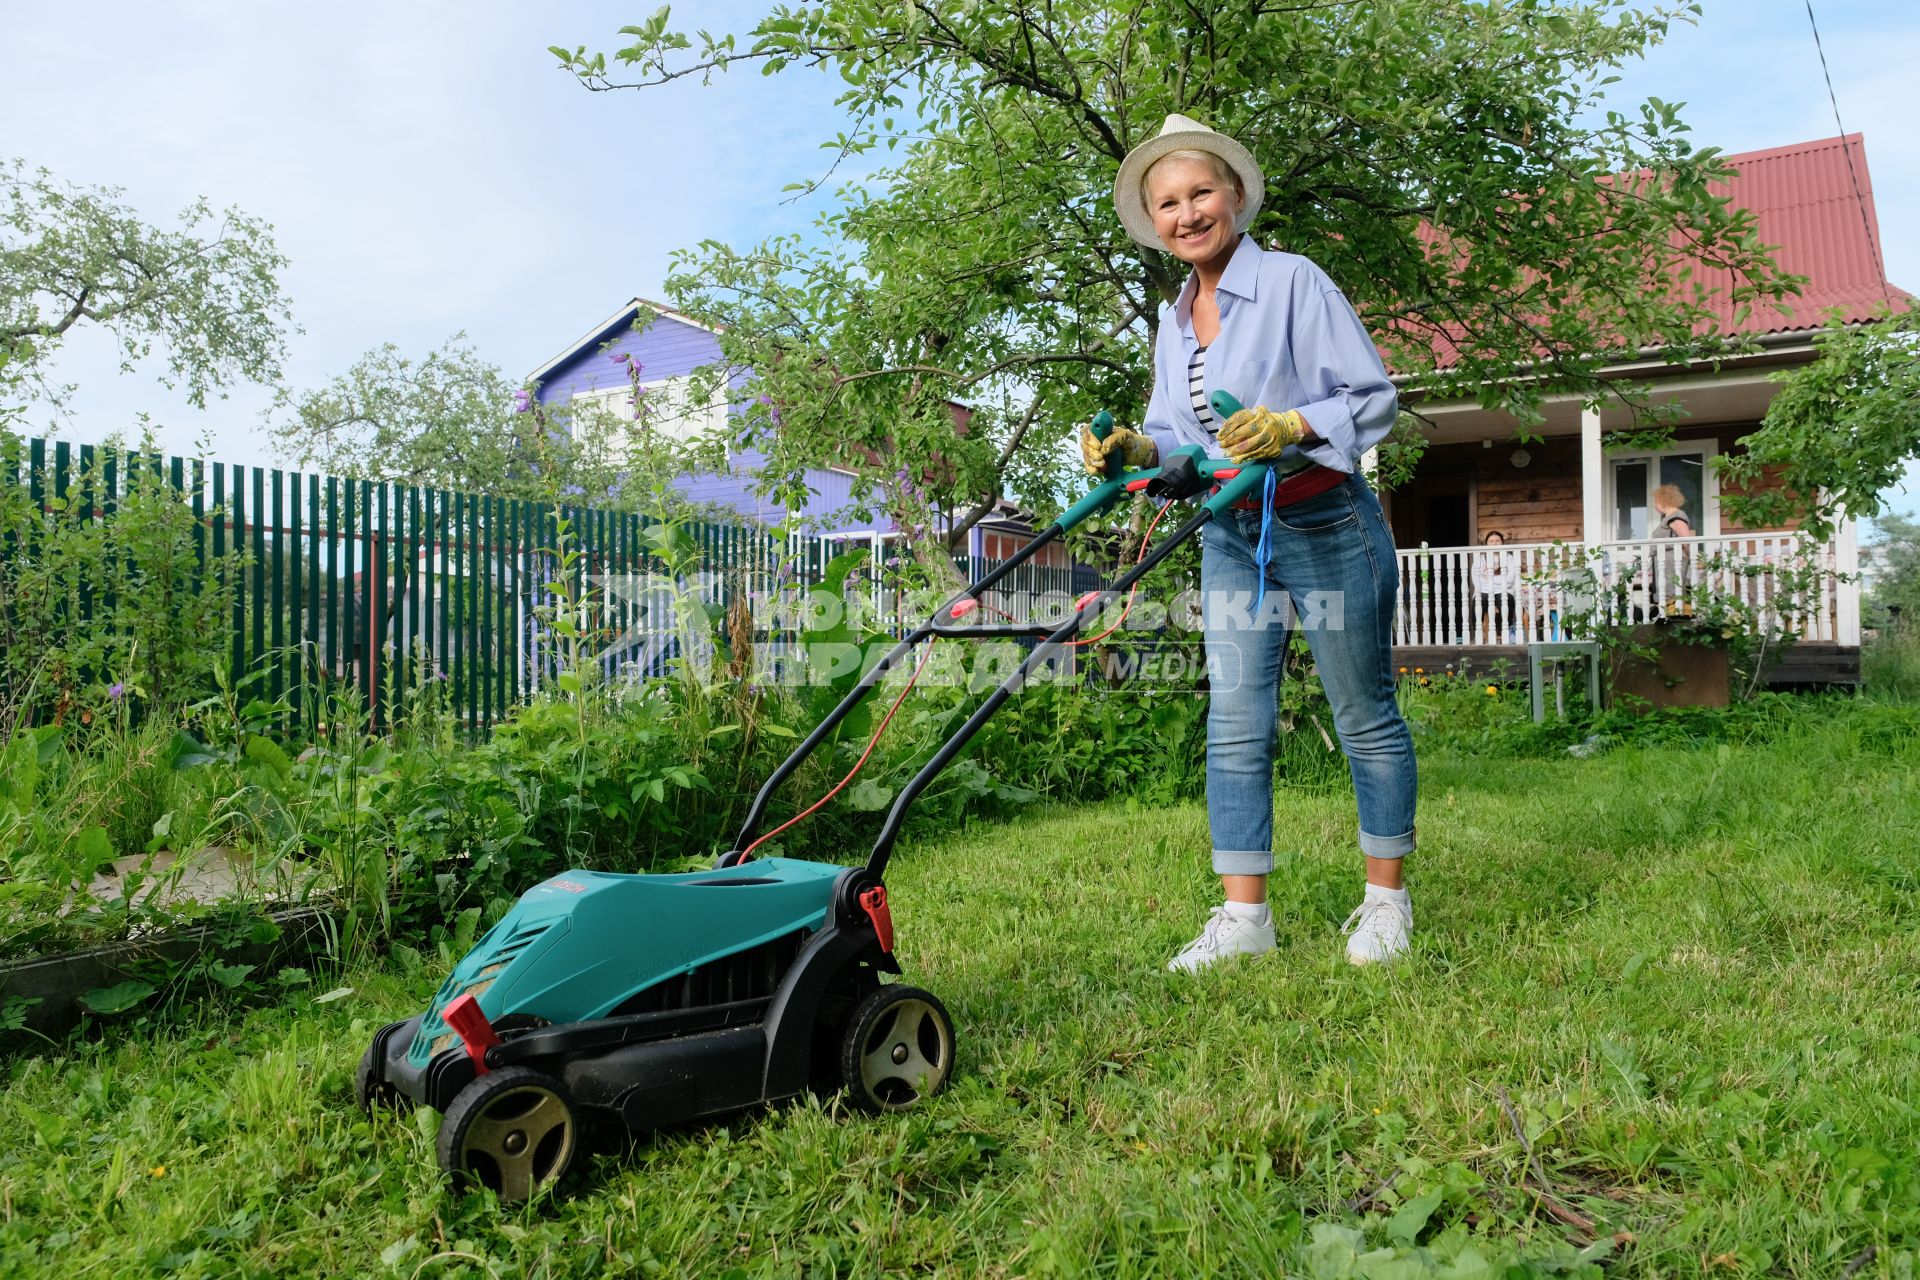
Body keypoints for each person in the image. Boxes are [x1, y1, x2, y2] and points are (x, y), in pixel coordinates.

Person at [1079, 115, 1417, 970]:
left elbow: (1374, 398)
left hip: (1329, 522)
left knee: (1363, 717)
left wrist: (1295, 422)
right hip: (1234, 535)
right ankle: (1246, 922)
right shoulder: (1173, 319)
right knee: (1236, 723)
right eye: (1168, 203)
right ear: (1153, 221)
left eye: (1200, 193)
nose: (1187, 213)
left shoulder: (1296, 282)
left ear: (1233, 195)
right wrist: (1135, 452)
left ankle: (1386, 905)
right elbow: (1178, 441)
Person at [1471, 530, 1519, 643]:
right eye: (1491, 541)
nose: (1495, 543)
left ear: (1502, 543)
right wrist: (1496, 581)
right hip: (1483, 590)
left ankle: (1502, 633)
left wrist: (1493, 581)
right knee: (1478, 601)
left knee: (1505, 600)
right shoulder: (1480, 559)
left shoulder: (1509, 558)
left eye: (1497, 541)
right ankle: (1479, 634)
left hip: (1504, 589)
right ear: (1487, 543)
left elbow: (1510, 578)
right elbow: (1476, 579)